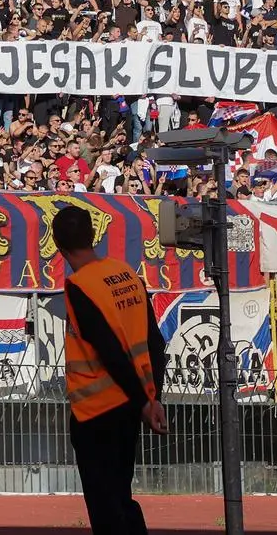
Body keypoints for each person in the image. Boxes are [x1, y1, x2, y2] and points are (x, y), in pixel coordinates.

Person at [54, 205, 167, 535]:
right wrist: (151, 398)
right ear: (93, 236)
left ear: (59, 246)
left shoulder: (78, 286)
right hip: (132, 406)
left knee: (106, 507)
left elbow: (110, 352)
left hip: (96, 412)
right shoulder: (126, 273)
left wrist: (145, 401)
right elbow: (154, 342)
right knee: (121, 497)